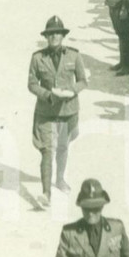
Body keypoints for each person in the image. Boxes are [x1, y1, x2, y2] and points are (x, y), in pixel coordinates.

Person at [27, 16, 88, 207]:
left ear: (63, 36)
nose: (54, 37)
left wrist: (72, 91)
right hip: (46, 110)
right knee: (47, 150)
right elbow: (31, 84)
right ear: (46, 37)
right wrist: (47, 95)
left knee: (63, 147)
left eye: (57, 33)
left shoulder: (74, 56)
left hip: (68, 110)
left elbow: (82, 81)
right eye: (50, 34)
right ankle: (46, 193)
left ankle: (60, 179)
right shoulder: (37, 58)